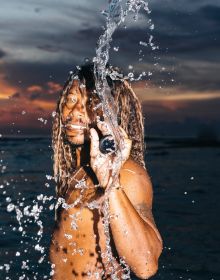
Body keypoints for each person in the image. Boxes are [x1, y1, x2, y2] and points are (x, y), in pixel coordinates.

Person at [49, 64, 162, 279]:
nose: (75, 112)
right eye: (72, 100)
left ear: (112, 111)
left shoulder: (128, 174)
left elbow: (146, 265)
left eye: (89, 103)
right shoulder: (79, 174)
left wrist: (110, 181)